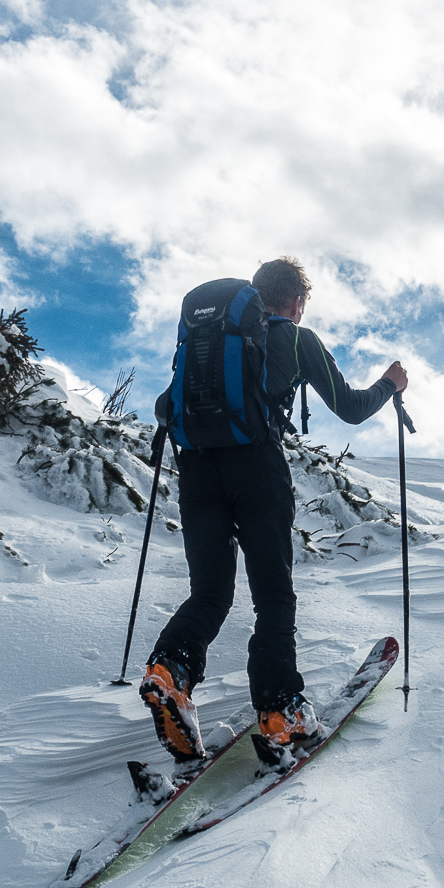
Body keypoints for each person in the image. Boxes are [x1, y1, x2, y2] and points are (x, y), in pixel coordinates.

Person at [139, 256, 409, 766]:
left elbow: (163, 405)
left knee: (211, 593)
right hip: (256, 470)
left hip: (197, 472)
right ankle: (280, 710)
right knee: (273, 596)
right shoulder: (294, 337)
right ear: (298, 302)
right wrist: (390, 386)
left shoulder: (210, 342)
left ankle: (169, 674)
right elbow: (350, 407)